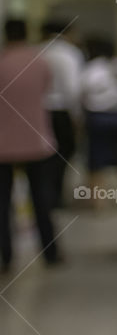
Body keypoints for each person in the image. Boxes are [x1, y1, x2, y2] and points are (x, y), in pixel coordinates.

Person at [0, 20, 61, 272]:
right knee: (41, 198)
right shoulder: (40, 62)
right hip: (37, 139)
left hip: (3, 143)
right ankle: (50, 252)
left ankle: (6, 256)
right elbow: (46, 91)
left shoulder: (1, 63)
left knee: (2, 203)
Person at [40, 21, 84, 207]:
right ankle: (55, 195)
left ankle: (43, 194)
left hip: (39, 112)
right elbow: (72, 89)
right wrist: (76, 115)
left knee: (43, 156)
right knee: (63, 154)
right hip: (61, 111)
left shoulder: (37, 51)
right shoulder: (70, 54)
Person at [80, 38, 117, 205]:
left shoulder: (90, 68)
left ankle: (98, 204)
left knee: (96, 163)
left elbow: (81, 92)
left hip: (96, 118)